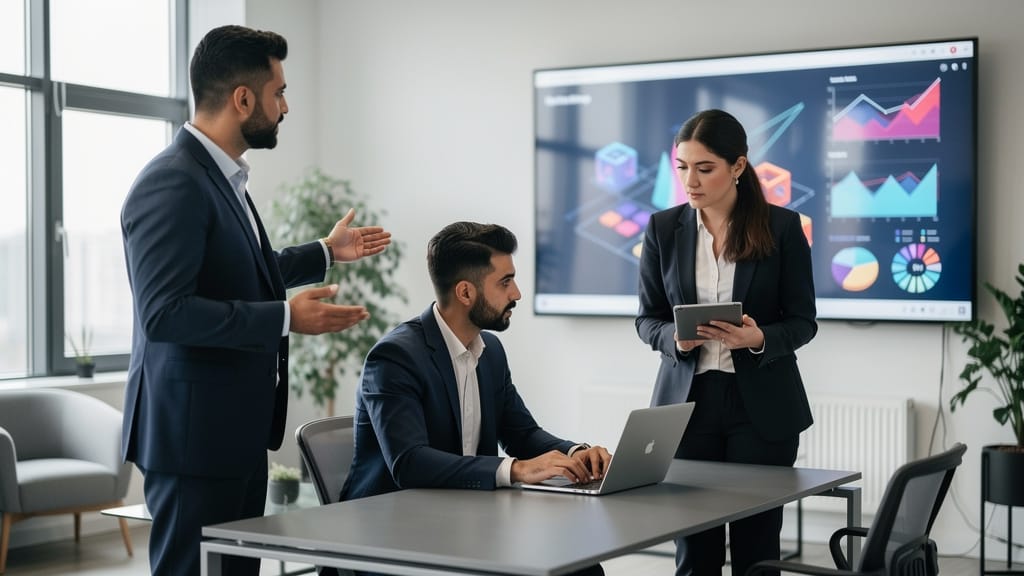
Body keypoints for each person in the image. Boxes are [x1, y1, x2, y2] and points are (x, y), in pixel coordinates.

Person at [120, 25, 391, 576]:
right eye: (279, 92)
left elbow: (239, 272)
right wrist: (287, 317)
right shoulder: (172, 183)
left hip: (231, 435)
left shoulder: (222, 178)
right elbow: (165, 314)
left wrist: (325, 251)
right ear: (244, 99)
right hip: (192, 443)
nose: (286, 106)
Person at [341, 222, 610, 576]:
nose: (516, 293)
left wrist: (577, 454)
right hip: (393, 537)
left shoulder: (491, 351)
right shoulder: (395, 358)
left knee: (581, 567)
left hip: (466, 521)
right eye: (504, 282)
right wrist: (514, 469)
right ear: (466, 292)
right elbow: (409, 463)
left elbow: (522, 434)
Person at [635, 109, 817, 576]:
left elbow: (803, 321)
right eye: (682, 167)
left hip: (761, 405)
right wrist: (675, 339)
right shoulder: (662, 229)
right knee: (695, 554)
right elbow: (647, 319)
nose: (689, 181)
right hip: (688, 404)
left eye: (704, 168)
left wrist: (760, 338)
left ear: (737, 167)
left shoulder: (782, 227)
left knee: (757, 552)